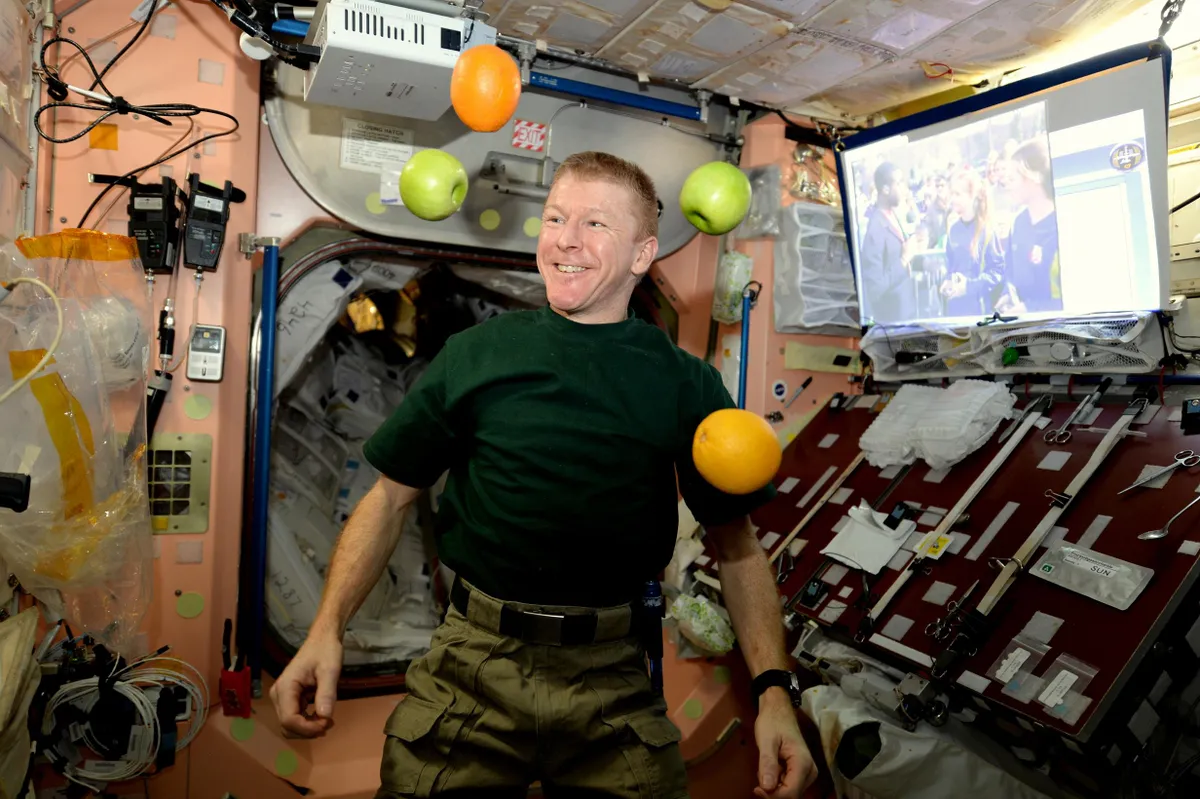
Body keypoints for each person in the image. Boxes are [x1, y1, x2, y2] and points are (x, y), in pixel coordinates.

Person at [270, 151, 818, 799]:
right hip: (471, 664)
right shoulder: (476, 355)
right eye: (555, 217)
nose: (565, 239)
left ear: (643, 254)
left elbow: (739, 547)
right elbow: (389, 499)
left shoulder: (682, 380)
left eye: (594, 224)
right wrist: (326, 631)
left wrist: (774, 693)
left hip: (612, 677)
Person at [995, 138, 1062, 315]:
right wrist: (1007, 295)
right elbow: (1011, 271)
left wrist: (1031, 309)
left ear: (1034, 177)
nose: (1007, 185)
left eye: (1013, 178)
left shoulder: (1062, 221)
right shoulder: (1018, 222)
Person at [859, 161, 922, 324]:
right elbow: (875, 288)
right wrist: (903, 260)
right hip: (893, 325)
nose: (904, 188)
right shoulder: (875, 229)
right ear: (885, 189)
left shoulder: (893, 216)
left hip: (907, 315)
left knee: (929, 347)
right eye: (899, 183)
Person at [939, 168, 1004, 318]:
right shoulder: (953, 229)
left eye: (958, 194)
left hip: (979, 312)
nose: (953, 199)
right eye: (952, 194)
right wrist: (947, 282)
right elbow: (951, 265)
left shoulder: (987, 230)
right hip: (955, 310)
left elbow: (998, 271)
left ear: (972, 196)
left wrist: (969, 287)